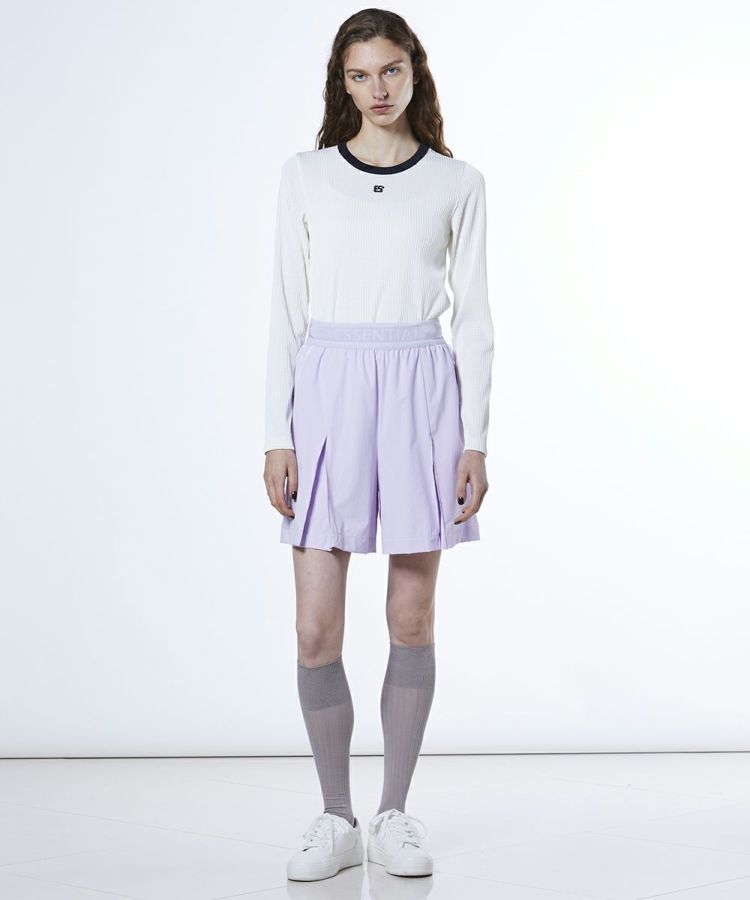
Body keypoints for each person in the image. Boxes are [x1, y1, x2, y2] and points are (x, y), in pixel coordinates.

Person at [263, 8, 494, 883]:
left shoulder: (457, 182)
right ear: (342, 83)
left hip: (419, 393)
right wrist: (276, 434)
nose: (377, 89)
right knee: (315, 626)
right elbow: (284, 312)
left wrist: (475, 440)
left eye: (390, 70)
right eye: (359, 75)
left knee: (410, 616)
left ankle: (394, 811)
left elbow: (474, 320)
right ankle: (336, 817)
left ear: (414, 70)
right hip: (327, 391)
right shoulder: (306, 176)